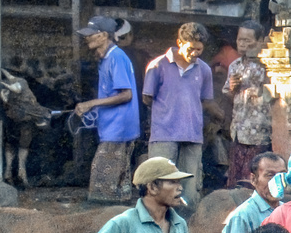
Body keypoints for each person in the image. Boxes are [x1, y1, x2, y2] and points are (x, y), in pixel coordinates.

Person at [143, 22, 214, 205]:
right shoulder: (158, 65)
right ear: (179, 42)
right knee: (159, 185)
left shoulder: (204, 69)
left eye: (199, 50)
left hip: (192, 135)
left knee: (189, 192)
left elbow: (206, 100)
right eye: (191, 49)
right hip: (164, 134)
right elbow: (147, 98)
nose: (195, 54)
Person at [74, 15, 141, 204]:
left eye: (90, 34)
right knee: (114, 184)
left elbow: (126, 94)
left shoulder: (117, 57)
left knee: (102, 185)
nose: (86, 38)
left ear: (104, 35)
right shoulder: (106, 59)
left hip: (118, 129)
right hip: (112, 128)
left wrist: (92, 103)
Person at [225, 20, 278, 185]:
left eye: (247, 40)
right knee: (236, 180)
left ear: (260, 41)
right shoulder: (235, 65)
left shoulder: (269, 66)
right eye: (240, 39)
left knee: (254, 179)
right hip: (238, 132)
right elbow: (229, 94)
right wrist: (233, 88)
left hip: (260, 132)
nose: (242, 44)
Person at [222, 152, 287, 233]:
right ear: (253, 179)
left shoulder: (288, 211)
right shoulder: (242, 216)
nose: (277, 181)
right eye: (270, 175)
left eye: (282, 175)